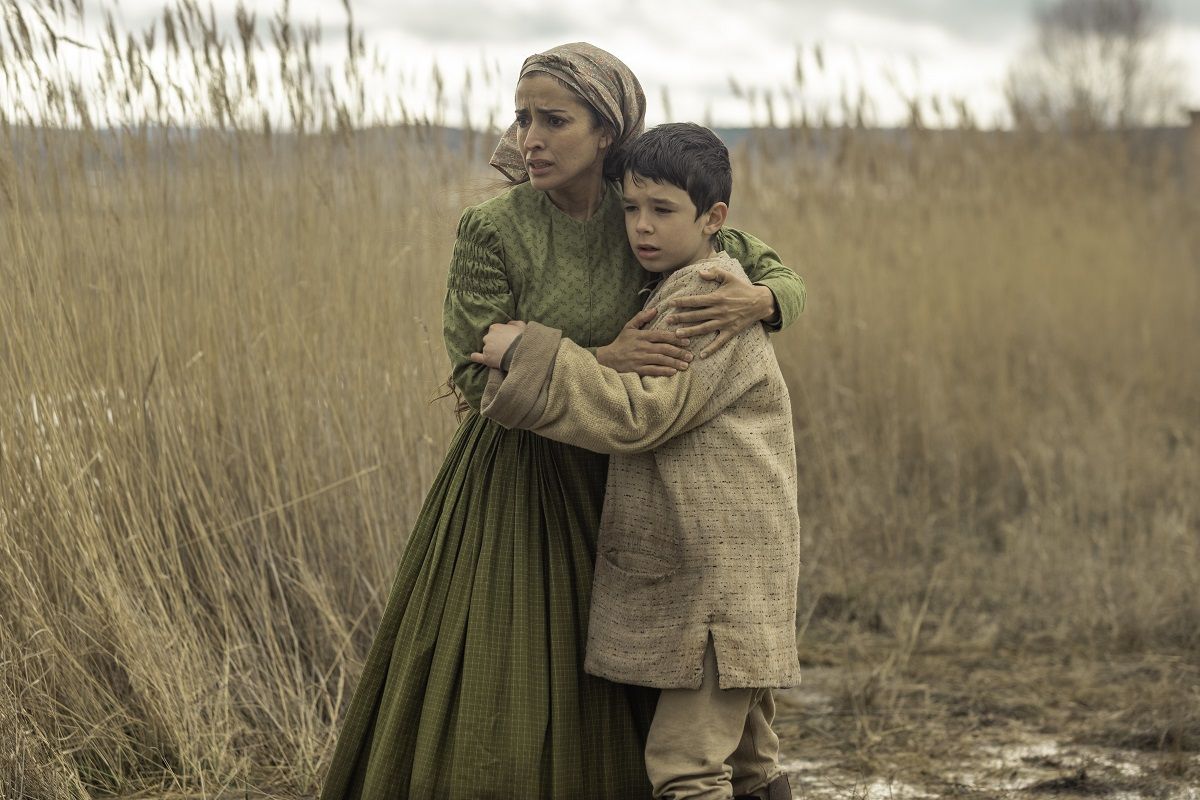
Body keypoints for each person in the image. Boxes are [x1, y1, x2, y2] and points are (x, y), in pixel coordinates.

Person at [319, 44, 806, 800]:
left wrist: (769, 302)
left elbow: (758, 266)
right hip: (518, 482)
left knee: (660, 690)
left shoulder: (643, 209)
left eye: (554, 119)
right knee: (506, 687)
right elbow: (473, 368)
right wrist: (606, 353)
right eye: (522, 118)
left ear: (606, 131)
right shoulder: (493, 229)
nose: (529, 138)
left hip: (634, 485)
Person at [474, 122, 800, 800]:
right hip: (731, 565)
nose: (642, 228)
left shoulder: (703, 293)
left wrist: (527, 356)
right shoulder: (679, 278)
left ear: (714, 220)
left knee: (687, 772)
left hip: (717, 576)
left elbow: (639, 413)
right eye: (630, 209)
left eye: (662, 211)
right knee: (748, 765)